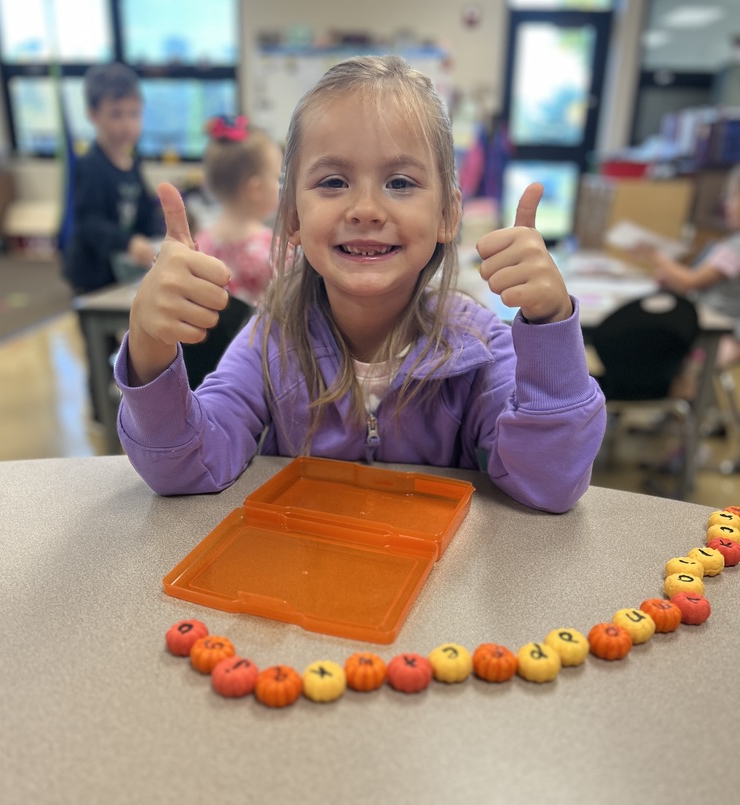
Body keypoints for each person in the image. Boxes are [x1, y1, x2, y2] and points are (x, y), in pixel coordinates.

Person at [114, 55, 605, 514]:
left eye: (400, 183)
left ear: (447, 214)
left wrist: (551, 324)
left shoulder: (478, 345)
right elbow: (184, 467)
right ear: (292, 219)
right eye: (333, 182)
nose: (366, 209)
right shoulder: (272, 340)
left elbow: (549, 483)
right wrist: (149, 345)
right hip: (304, 579)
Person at [62, 62, 162, 420]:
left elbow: (146, 210)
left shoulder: (131, 162)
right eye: (116, 114)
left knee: (125, 340)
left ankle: (127, 405)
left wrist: (164, 219)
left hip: (120, 274)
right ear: (93, 115)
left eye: (134, 114)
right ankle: (101, 414)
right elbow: (88, 222)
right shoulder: (91, 165)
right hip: (91, 274)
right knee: (99, 346)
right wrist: (126, 242)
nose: (126, 124)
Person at [639, 164, 740, 374]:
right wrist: (672, 280)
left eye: (732, 197)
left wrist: (655, 254)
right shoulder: (729, 244)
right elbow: (697, 285)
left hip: (719, 333)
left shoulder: (735, 248)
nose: (727, 205)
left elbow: (691, 281)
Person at [194, 114, 283, 306]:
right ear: (255, 189)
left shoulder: (199, 245)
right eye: (278, 177)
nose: (281, 186)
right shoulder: (274, 251)